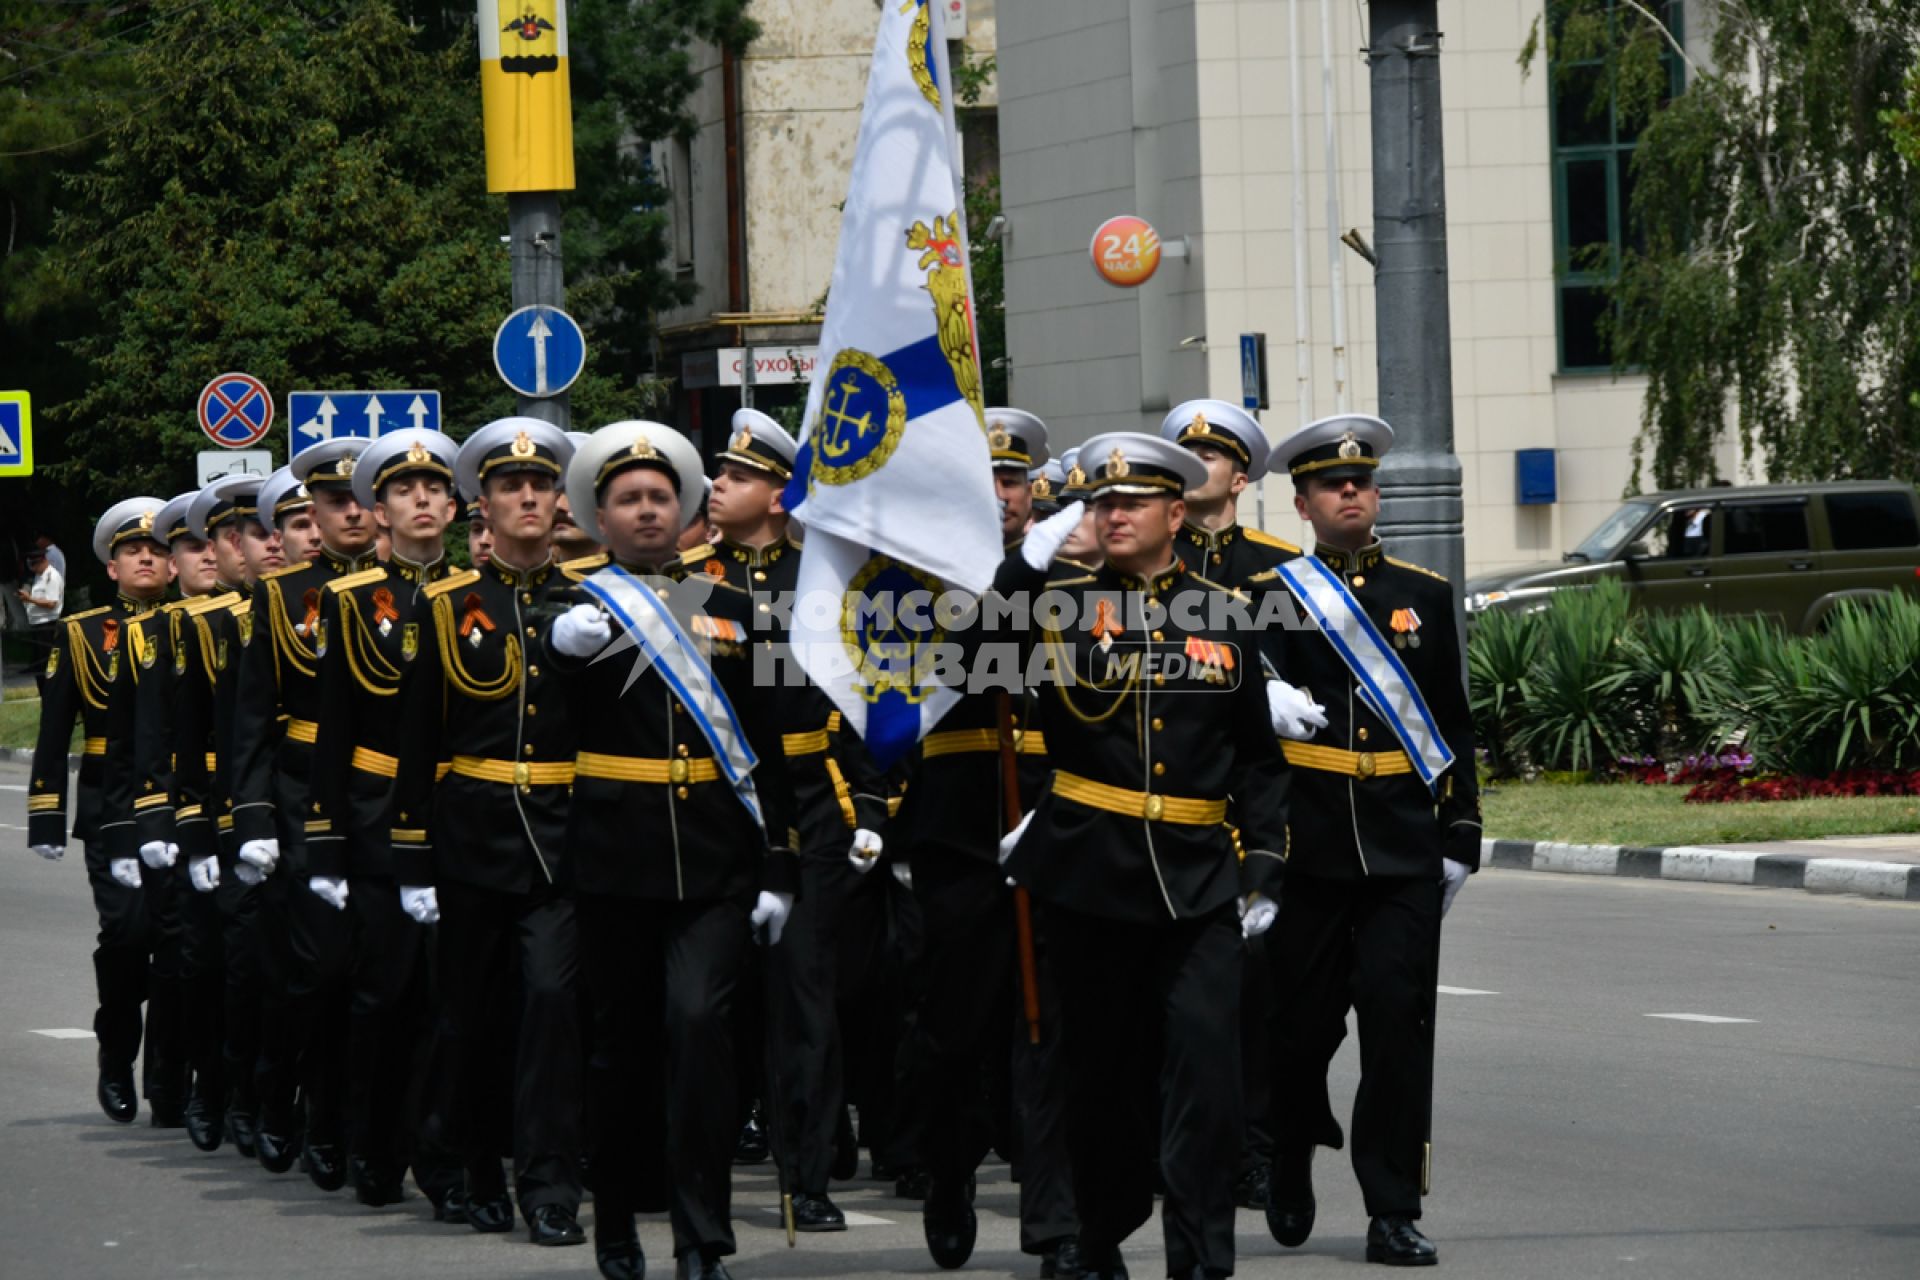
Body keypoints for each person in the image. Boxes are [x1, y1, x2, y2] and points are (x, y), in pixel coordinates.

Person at [993, 433, 1292, 1280]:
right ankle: (1099, 1233)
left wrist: (1264, 866)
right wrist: (1026, 560)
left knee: (1207, 1081)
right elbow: (977, 648)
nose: (1111, 515)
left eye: (1130, 502)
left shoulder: (1227, 613)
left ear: (1173, 512)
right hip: (1090, 875)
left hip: (1198, 879)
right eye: (1099, 502)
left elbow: (1258, 761)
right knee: (1100, 1081)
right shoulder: (1056, 607)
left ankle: (1200, 1257)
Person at [547, 419, 797, 1280]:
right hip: (617, 862)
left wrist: (782, 866)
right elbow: (543, 722)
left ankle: (702, 1239)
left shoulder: (736, 609)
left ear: (688, 512)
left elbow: (776, 742)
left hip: (717, 862)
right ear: (601, 517)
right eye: (629, 500)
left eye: (661, 497)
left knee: (701, 1033)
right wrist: (560, 657)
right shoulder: (570, 611)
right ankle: (615, 1223)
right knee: (620, 1051)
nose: (648, 510)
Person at [1251, 413, 1480, 1268]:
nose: (1352, 492)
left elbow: (1452, 723)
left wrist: (1462, 829)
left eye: (1362, 481)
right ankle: (1291, 1144)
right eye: (1331, 484)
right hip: (1305, 847)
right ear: (1304, 505)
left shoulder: (1423, 594)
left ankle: (1392, 1208)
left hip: (1399, 851)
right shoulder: (1269, 599)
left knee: (1397, 1024)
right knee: (1300, 1030)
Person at [387, 418, 586, 1246]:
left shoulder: (595, 598)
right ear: (487, 505)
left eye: (540, 485)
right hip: (471, 839)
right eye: (511, 487)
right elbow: (419, 737)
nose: (529, 497)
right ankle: (468, 1166)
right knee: (468, 1013)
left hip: (567, 840)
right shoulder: (442, 606)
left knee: (551, 1003)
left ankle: (547, 1184)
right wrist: (411, 854)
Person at [893, 406, 1079, 1277]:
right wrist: (1019, 574)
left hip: (1061, 817)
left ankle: (1053, 1223)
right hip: (961, 825)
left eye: (1012, 481)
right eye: (985, 481)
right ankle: (949, 1171)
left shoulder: (1077, 582)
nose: (1001, 495)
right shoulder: (917, 584)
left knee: (1050, 1027)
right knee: (955, 1027)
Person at [709, 408, 889, 1234]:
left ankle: (806, 1175)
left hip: (810, 803)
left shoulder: (823, 585)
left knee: (805, 1006)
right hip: (712, 807)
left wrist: (872, 804)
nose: (718, 486)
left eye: (738, 477)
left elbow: (867, 706)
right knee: (703, 1000)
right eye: (720, 474)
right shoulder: (686, 578)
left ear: (780, 495)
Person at [304, 429, 462, 1210]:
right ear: (379, 510)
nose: (423, 500)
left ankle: (441, 1157)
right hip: (374, 817)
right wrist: (328, 840)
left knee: (452, 997)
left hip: (461, 816)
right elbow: (334, 727)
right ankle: (372, 1144)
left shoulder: (476, 591)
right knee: (385, 992)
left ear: (456, 503)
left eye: (435, 489)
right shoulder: (352, 602)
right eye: (405, 491)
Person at [1158, 397, 1301, 1210]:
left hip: (1252, 811)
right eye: (1182, 456)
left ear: (1239, 475)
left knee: (1254, 1002)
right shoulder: (1144, 569)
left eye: (1209, 456)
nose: (1194, 466)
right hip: (1168, 809)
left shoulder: (1276, 568)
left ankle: (1253, 1148)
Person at [229, 440, 378, 1189]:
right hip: (302, 798)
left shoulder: (420, 591)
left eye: (360, 500)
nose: (349, 514)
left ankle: (371, 1124)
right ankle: (302, 1104)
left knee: (382, 976)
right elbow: (252, 718)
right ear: (314, 515)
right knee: (318, 971)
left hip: (389, 795)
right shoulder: (280, 598)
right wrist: (253, 819)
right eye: (334, 504)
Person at [26, 497, 174, 1125]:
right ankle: (117, 1049)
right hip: (112, 806)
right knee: (129, 935)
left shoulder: (192, 623)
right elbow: (55, 727)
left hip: (182, 798)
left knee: (179, 943)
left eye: (158, 549)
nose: (146, 557)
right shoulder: (83, 632)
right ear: (111, 567)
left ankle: (169, 1080)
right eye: (132, 551)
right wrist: (45, 814)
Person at [119, 492, 225, 1140]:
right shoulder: (149, 637)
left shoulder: (253, 617)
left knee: (229, 957)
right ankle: (168, 1072)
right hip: (181, 811)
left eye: (216, 542)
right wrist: (151, 828)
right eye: (190, 545)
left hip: (242, 804)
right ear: (173, 562)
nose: (208, 554)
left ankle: (227, 1080)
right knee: (181, 951)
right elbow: (142, 743)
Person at [20, 544, 65, 693]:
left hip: (48, 626)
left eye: (35, 564)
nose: (33, 568)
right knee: (38, 666)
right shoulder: (38, 576)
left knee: (47, 664)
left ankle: (51, 692)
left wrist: (30, 599)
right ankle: (44, 692)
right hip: (37, 625)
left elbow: (51, 603)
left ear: (43, 560)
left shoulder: (51, 576)